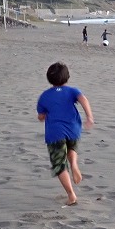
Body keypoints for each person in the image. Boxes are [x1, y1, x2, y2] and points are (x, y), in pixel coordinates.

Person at [36, 62, 95, 206]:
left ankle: (71, 195)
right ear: (67, 77)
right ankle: (74, 164)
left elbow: (41, 116)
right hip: (73, 129)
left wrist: (43, 116)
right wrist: (89, 117)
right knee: (71, 148)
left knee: (59, 164)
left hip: (55, 133)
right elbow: (83, 100)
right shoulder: (73, 91)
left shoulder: (44, 96)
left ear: (49, 78)